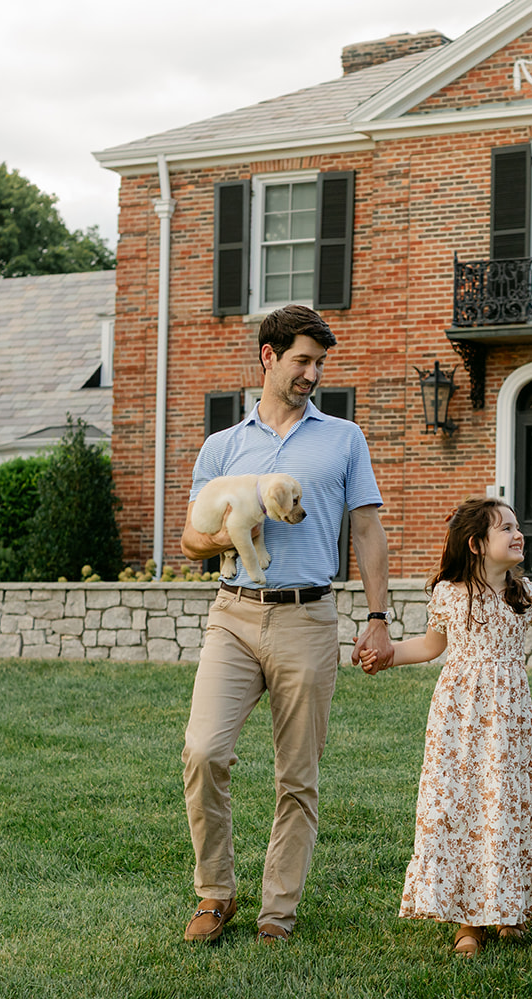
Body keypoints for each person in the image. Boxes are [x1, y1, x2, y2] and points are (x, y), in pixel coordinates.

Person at [178, 304, 394, 945]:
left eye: (320, 363)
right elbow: (191, 541)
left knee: (297, 774)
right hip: (233, 614)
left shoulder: (344, 439)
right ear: (268, 357)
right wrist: (233, 532)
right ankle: (215, 894)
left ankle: (278, 910)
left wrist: (377, 617)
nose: (313, 374)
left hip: (308, 617)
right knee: (203, 751)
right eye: (302, 360)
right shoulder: (223, 447)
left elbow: (367, 529)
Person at [359, 497, 532, 958]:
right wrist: (386, 655)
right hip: (459, 719)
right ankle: (468, 920)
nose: (518, 534)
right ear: (476, 544)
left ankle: (507, 908)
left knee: (504, 804)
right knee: (462, 806)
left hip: (507, 722)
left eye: (518, 527)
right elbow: (430, 646)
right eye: (506, 528)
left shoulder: (523, 595)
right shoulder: (449, 594)